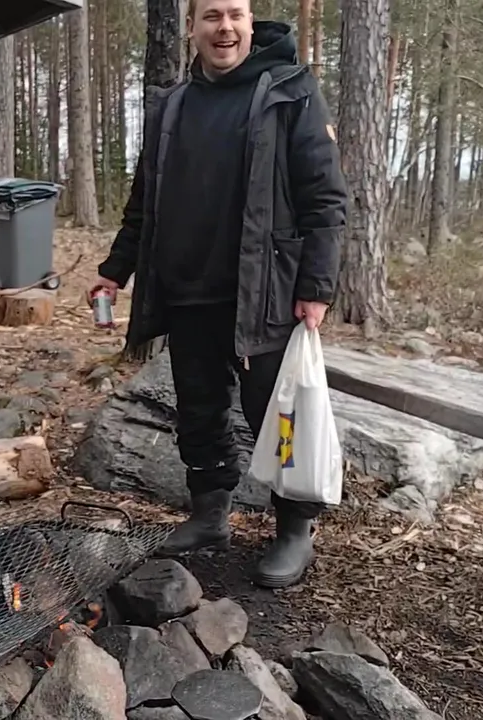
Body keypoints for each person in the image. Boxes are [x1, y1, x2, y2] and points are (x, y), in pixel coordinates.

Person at [90, 0, 347, 589]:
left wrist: (316, 287)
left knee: (277, 416)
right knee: (199, 411)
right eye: (211, 16)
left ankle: (295, 530)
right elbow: (144, 202)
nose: (224, 28)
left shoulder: (290, 92)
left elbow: (326, 199)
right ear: (192, 28)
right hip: (187, 290)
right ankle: (210, 515)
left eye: (235, 15)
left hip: (264, 294)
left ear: (251, 24)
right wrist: (115, 270)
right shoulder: (173, 105)